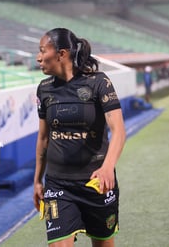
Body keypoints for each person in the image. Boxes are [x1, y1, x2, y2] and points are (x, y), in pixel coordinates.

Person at [33, 28, 126, 247]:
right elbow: (44, 138)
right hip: (58, 184)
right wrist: (38, 180)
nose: (38, 57)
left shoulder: (99, 82)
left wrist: (107, 167)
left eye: (42, 51)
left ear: (61, 54)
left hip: (96, 183)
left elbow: (119, 130)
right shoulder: (44, 89)